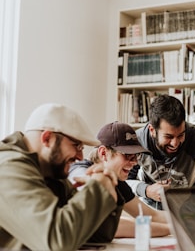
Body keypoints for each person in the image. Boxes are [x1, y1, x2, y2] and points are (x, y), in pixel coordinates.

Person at [0, 103, 123, 251]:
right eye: (76, 146)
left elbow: (98, 235)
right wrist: (98, 188)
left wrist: (107, 185)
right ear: (47, 139)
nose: (80, 157)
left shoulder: (51, 172)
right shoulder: (9, 168)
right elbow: (57, 242)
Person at [69, 121, 170, 238]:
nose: (134, 162)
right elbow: (108, 225)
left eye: (136, 156)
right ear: (103, 153)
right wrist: (171, 229)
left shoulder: (117, 181)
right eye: (127, 155)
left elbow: (151, 215)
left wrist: (188, 220)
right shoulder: (79, 171)